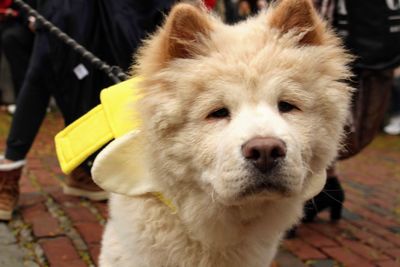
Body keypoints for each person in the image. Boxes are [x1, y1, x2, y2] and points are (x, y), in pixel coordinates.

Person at [0, 0, 176, 221]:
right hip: (69, 8)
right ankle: (9, 171)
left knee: (103, 80)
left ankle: (82, 168)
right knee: (44, 68)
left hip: (121, 10)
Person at [0, 0, 35, 113]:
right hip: (12, 23)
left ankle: (25, 101)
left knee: (10, 39)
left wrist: (29, 18)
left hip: (29, 25)